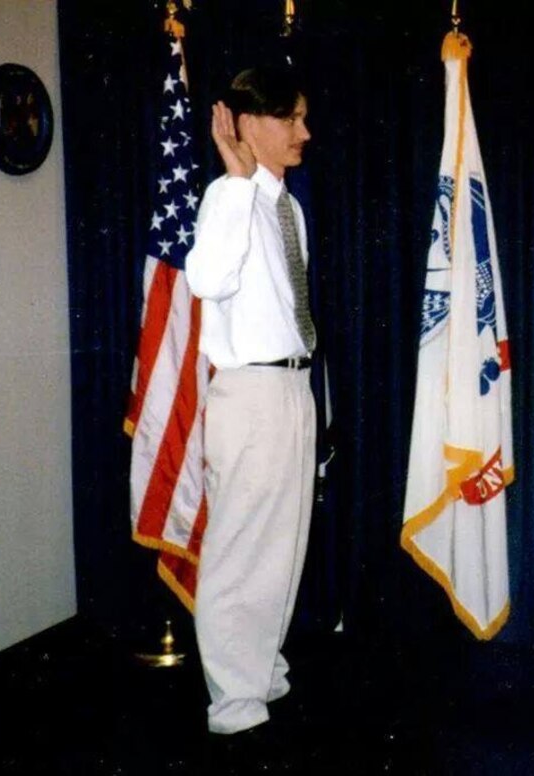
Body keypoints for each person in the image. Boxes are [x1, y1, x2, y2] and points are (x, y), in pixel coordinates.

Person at [185, 66, 317, 737]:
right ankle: (232, 703)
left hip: (292, 385)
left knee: (284, 544)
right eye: (290, 119)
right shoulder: (225, 198)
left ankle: (259, 668)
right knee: (240, 550)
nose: (304, 132)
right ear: (249, 125)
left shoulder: (285, 207)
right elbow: (205, 278)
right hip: (249, 392)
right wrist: (237, 181)